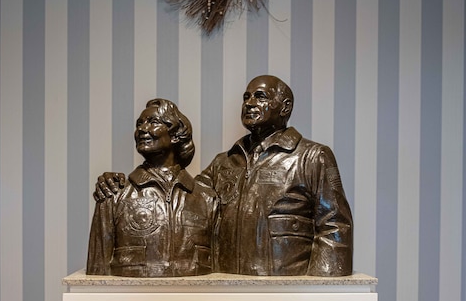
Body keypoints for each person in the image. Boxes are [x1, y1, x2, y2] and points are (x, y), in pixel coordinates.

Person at [95, 76, 353, 277]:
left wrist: (323, 290)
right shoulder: (224, 163)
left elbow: (335, 225)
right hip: (227, 285)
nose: (250, 103)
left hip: (288, 285)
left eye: (260, 97)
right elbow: (184, 198)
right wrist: (116, 183)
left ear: (285, 107)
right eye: (246, 97)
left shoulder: (311, 156)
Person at [86, 99, 217, 277]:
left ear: (176, 134)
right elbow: (97, 271)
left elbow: (218, 270)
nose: (141, 129)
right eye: (139, 124)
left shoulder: (206, 199)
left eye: (153, 122)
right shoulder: (115, 194)